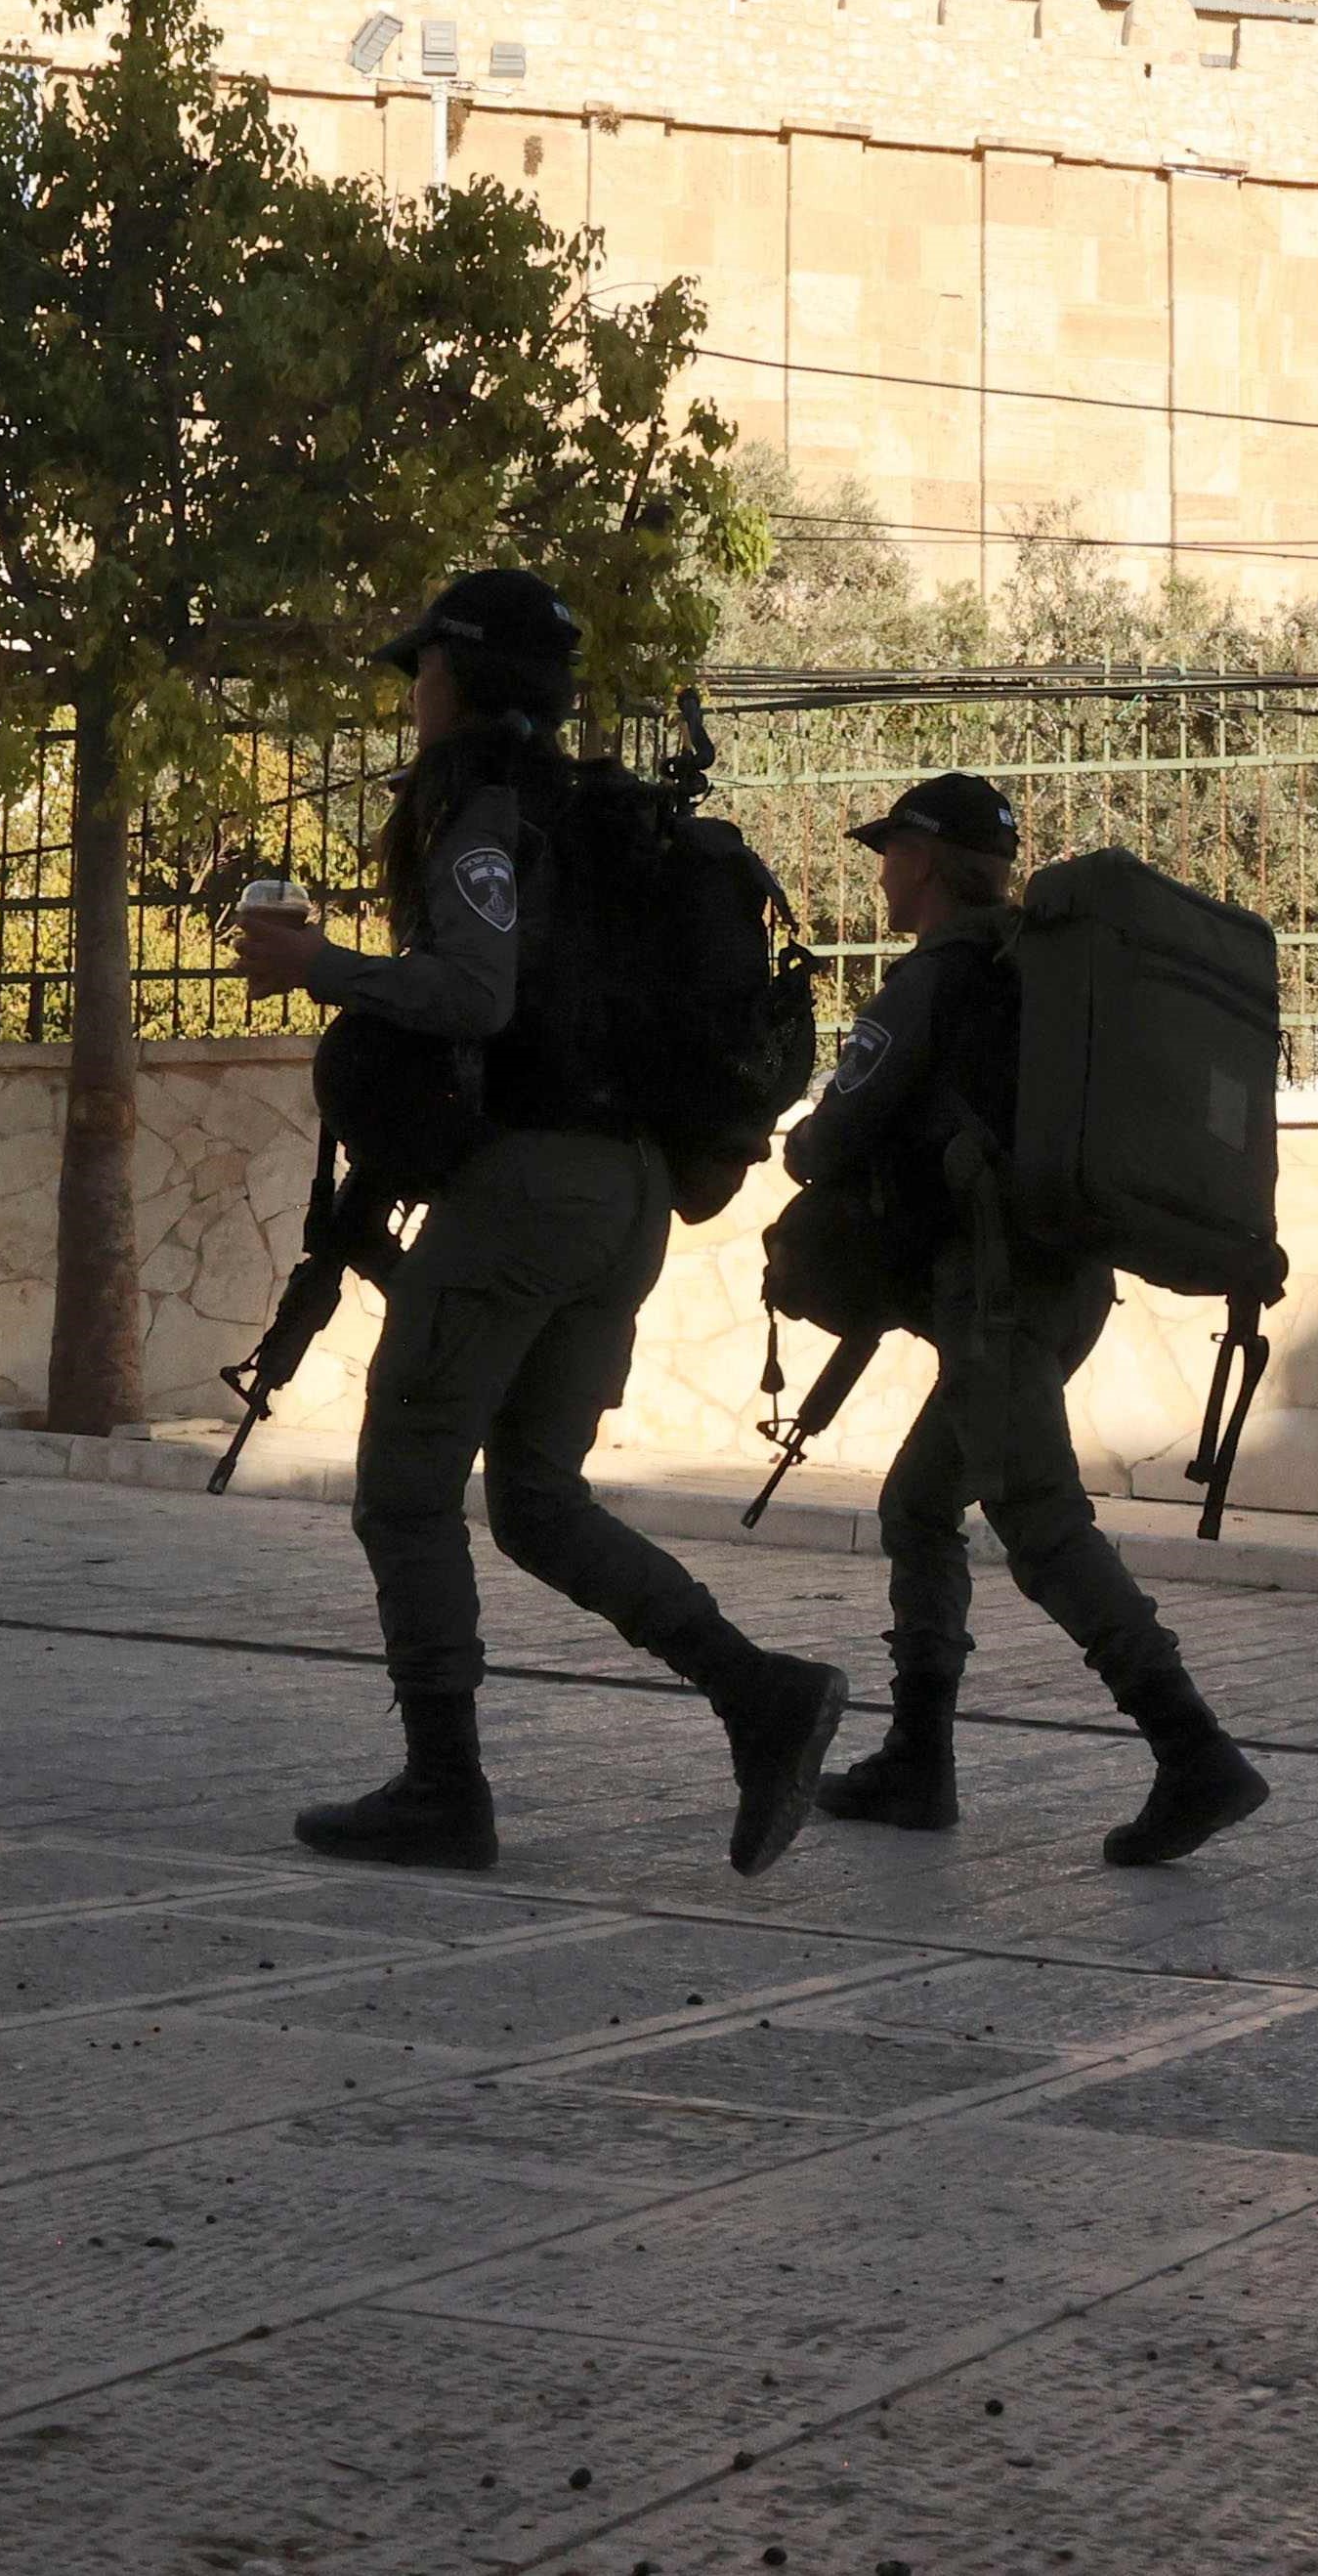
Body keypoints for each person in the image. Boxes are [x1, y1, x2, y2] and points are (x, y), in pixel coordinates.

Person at [234, 568, 846, 1875]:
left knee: (405, 1486)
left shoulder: (481, 812)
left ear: (456, 678)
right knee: (533, 1500)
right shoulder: (600, 820)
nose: (413, 697)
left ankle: (444, 1787)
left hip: (530, 1184)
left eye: (423, 673)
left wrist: (316, 965)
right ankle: (762, 1694)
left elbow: (473, 993)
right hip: (625, 1192)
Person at [794, 772, 1269, 1867]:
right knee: (917, 1504)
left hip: (997, 1293)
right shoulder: (1035, 974)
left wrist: (806, 1152)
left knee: (1040, 1523)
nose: (880, 868)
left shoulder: (937, 979)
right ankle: (918, 1760)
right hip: (1059, 1283)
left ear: (925, 859)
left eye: (891, 849)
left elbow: (838, 1129)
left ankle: (1192, 1749)